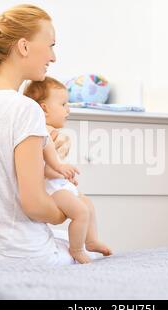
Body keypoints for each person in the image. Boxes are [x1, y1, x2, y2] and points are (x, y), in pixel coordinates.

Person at [0, 4, 93, 265]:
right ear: (24, 47)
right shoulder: (25, 108)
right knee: (90, 251)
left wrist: (46, 159)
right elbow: (35, 205)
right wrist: (70, 210)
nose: (53, 57)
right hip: (23, 255)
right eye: (51, 45)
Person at [24, 77, 112, 263]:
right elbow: (40, 169)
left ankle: (91, 240)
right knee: (81, 212)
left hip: (59, 184)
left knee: (86, 203)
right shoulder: (40, 131)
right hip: (49, 190)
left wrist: (64, 174)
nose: (68, 110)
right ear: (44, 108)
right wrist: (61, 170)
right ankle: (77, 249)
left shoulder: (50, 131)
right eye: (63, 104)